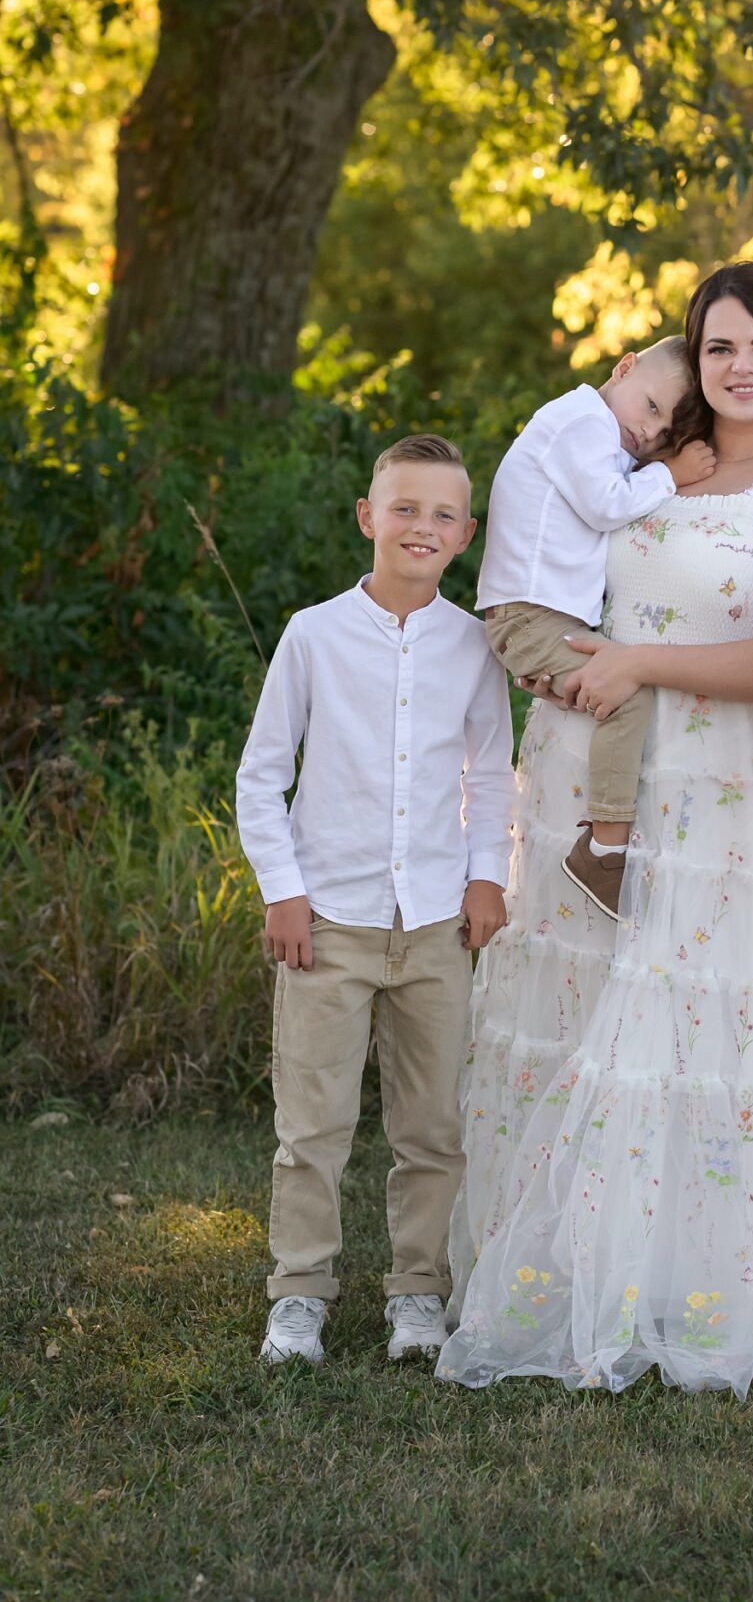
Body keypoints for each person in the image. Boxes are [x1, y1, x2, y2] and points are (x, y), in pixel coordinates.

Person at [439, 262, 753, 1395]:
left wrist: (637, 662)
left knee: (710, 1026)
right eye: (719, 346)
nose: (739, 367)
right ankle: (580, 1279)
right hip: (591, 765)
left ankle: (727, 1293)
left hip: (724, 792)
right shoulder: (648, 460)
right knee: (582, 1013)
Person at [234, 434, 514, 1370]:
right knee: (310, 1126)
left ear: (466, 532)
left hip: (434, 921)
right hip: (330, 925)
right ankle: (299, 1296)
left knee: (433, 1125)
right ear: (368, 517)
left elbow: (492, 772)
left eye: (442, 514)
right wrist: (285, 892)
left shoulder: (475, 644)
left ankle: (417, 1294)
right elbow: (261, 776)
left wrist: (487, 876)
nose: (421, 526)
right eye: (404, 508)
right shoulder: (314, 634)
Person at [477, 335, 715, 918]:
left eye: (664, 436)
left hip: (542, 615)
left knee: (616, 689)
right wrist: (673, 472)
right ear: (624, 366)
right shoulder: (579, 421)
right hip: (530, 614)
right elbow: (608, 504)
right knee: (626, 697)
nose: (650, 435)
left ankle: (603, 840)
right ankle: (603, 848)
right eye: (652, 409)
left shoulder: (598, 429)